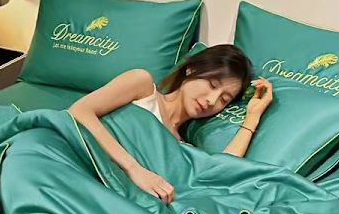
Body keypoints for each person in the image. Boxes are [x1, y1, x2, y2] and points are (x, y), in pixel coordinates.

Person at [68, 44, 273, 204]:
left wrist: (252, 117)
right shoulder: (142, 87)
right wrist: (134, 169)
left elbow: (221, 171)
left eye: (224, 99)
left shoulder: (183, 148)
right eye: (212, 85)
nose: (212, 100)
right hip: (78, 167)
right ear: (191, 69)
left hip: (114, 198)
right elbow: (79, 111)